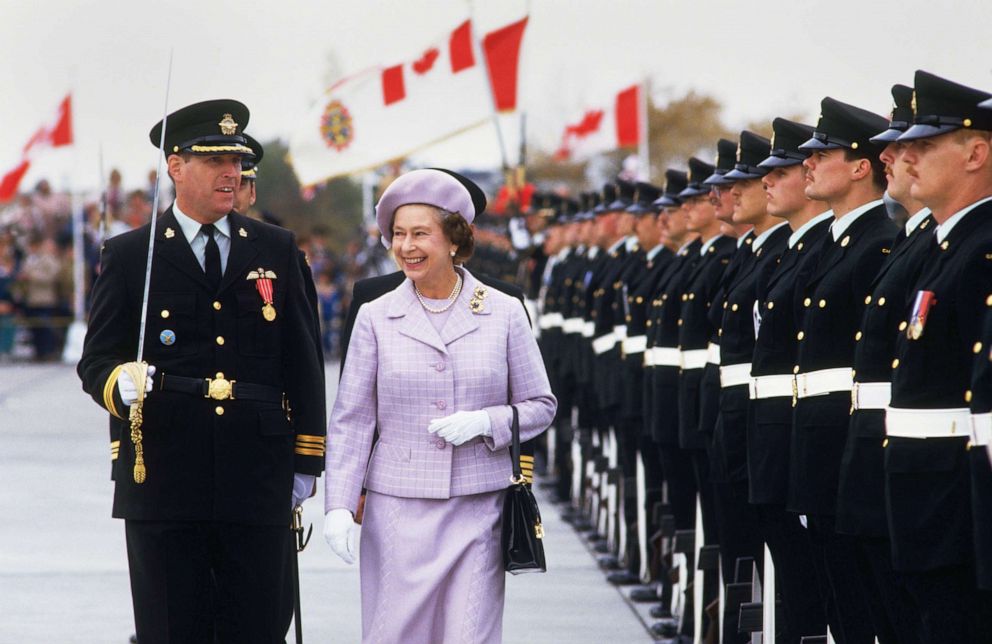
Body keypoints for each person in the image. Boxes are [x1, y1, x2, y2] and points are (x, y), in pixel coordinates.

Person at [77, 99, 326, 644]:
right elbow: (95, 357)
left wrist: (307, 459)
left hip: (257, 472)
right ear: (175, 166)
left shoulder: (276, 250)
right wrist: (117, 383)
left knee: (258, 627)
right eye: (214, 160)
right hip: (164, 470)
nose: (231, 173)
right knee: (171, 627)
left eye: (237, 161)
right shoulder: (129, 255)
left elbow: (302, 360)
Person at [323, 168, 556, 643]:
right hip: (395, 509)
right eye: (399, 234)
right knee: (396, 634)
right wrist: (339, 506)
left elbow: (541, 404)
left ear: (453, 240)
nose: (406, 246)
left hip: (477, 505)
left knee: (469, 634)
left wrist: (487, 421)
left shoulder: (503, 311)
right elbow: (352, 419)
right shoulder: (375, 315)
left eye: (420, 234)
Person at [885, 70, 992, 642]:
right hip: (925, 491)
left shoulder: (980, 246)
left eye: (925, 146)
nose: (907, 157)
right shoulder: (944, 246)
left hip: (955, 497)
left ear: (976, 152)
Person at [793, 96, 897, 643]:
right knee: (842, 591)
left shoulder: (878, 243)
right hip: (824, 438)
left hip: (848, 439)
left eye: (823, 153)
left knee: (866, 598)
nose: (808, 163)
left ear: (861, 167)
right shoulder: (843, 243)